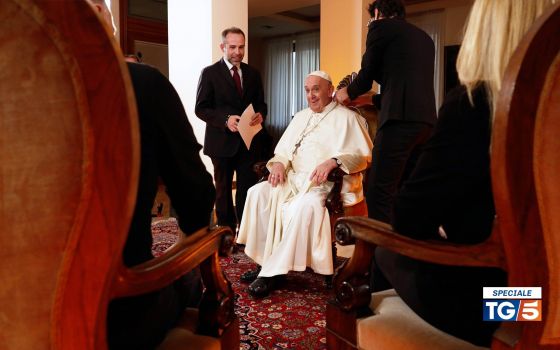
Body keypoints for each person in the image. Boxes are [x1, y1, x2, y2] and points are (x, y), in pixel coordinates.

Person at [371, 0, 557, 346]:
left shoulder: (475, 104)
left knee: (382, 249)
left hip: (505, 306)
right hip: (554, 303)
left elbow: (409, 219)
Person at [87, 1, 216, 348]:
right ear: (100, 18)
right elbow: (196, 194)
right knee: (188, 280)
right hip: (120, 312)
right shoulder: (143, 84)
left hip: (15, 317)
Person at [237, 71, 373, 298]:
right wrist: (279, 164)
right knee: (257, 193)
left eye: (316, 89)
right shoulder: (300, 116)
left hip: (323, 185)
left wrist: (334, 161)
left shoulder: (348, 118)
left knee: (306, 206)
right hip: (292, 179)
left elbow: (363, 156)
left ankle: (272, 274)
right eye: (307, 90)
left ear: (330, 90)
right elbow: (282, 152)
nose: (310, 95)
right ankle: (264, 261)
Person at [334, 0, 437, 223]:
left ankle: (381, 255)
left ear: (378, 13)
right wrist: (370, 99)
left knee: (379, 192)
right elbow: (403, 84)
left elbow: (365, 76)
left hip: (399, 122)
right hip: (426, 124)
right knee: (409, 190)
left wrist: (345, 93)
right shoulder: (425, 39)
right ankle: (408, 249)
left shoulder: (380, 27)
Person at [195, 27, 268, 234]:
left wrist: (261, 115)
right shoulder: (209, 73)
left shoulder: (253, 74)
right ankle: (226, 233)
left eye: (241, 47)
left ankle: (245, 234)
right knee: (223, 192)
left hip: (248, 142)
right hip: (221, 143)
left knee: (247, 190)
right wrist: (225, 120)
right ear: (223, 47)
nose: (238, 51)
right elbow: (200, 108)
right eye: (233, 47)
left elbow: (262, 104)